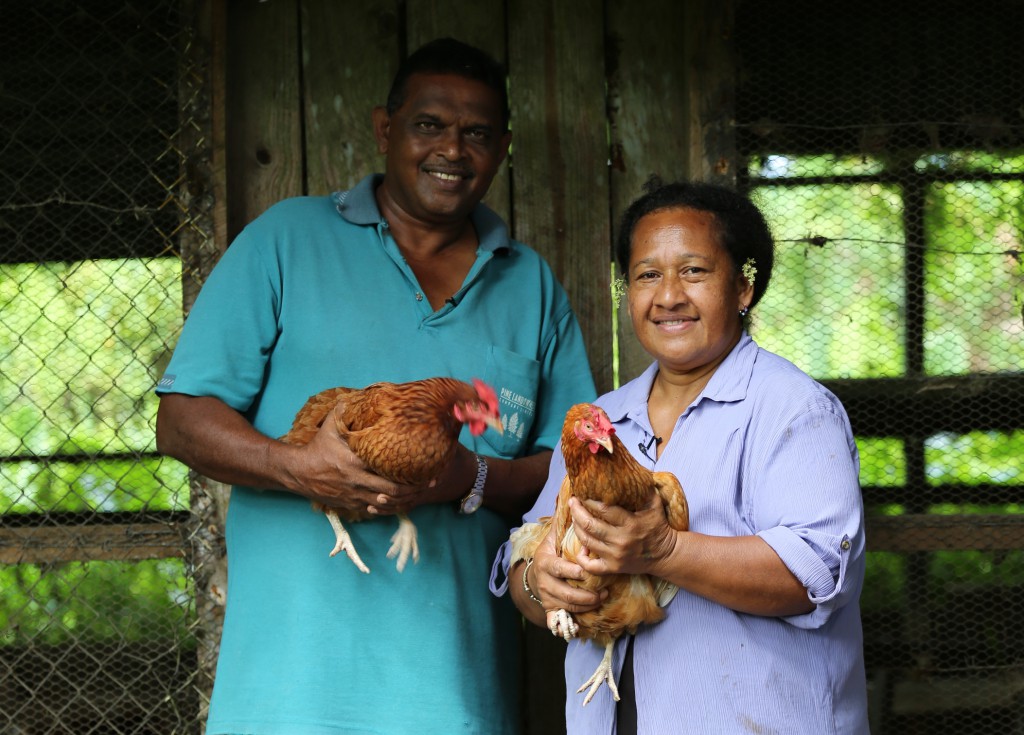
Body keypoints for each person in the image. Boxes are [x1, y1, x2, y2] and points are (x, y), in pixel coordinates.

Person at [155, 38, 596, 734]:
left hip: (455, 699)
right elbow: (180, 419)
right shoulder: (286, 241)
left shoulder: (530, 284)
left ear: (503, 147)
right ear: (385, 129)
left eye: (477, 133)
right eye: (429, 125)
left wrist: (469, 477)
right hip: (286, 696)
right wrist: (296, 468)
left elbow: (571, 465)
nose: (453, 149)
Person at [491, 178, 868, 733]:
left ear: (742, 287)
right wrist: (540, 583)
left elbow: (818, 572)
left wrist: (661, 549)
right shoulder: (599, 422)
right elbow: (525, 559)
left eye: (693, 270)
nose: (668, 295)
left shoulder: (794, 410)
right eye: (647, 275)